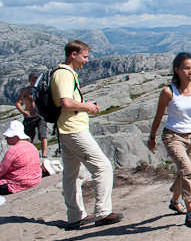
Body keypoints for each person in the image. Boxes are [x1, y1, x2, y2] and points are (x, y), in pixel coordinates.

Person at [52, 40, 123, 230]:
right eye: (84, 56)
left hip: (66, 129)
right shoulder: (64, 74)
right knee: (103, 166)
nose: (87, 60)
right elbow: (66, 103)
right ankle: (103, 212)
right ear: (73, 54)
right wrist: (88, 107)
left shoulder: (64, 73)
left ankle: (75, 216)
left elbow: (67, 102)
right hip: (74, 130)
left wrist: (83, 103)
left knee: (71, 175)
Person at [147, 52, 191, 228]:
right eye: (186, 68)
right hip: (173, 137)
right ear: (177, 70)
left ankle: (175, 201)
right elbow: (158, 116)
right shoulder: (169, 92)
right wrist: (151, 137)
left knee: (183, 171)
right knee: (188, 171)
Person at [0, 120, 42, 196]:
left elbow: (1, 170)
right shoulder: (31, 146)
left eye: (9, 136)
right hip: (34, 179)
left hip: (18, 183)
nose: (6, 138)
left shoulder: (13, 150)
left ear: (16, 136)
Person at [16, 72, 48, 157]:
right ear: (29, 80)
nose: (34, 81)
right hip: (29, 117)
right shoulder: (25, 91)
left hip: (40, 116)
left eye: (36, 79)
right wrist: (23, 112)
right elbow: (18, 103)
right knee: (27, 137)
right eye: (32, 80)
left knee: (43, 135)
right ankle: (28, 155)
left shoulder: (42, 89)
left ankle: (44, 155)